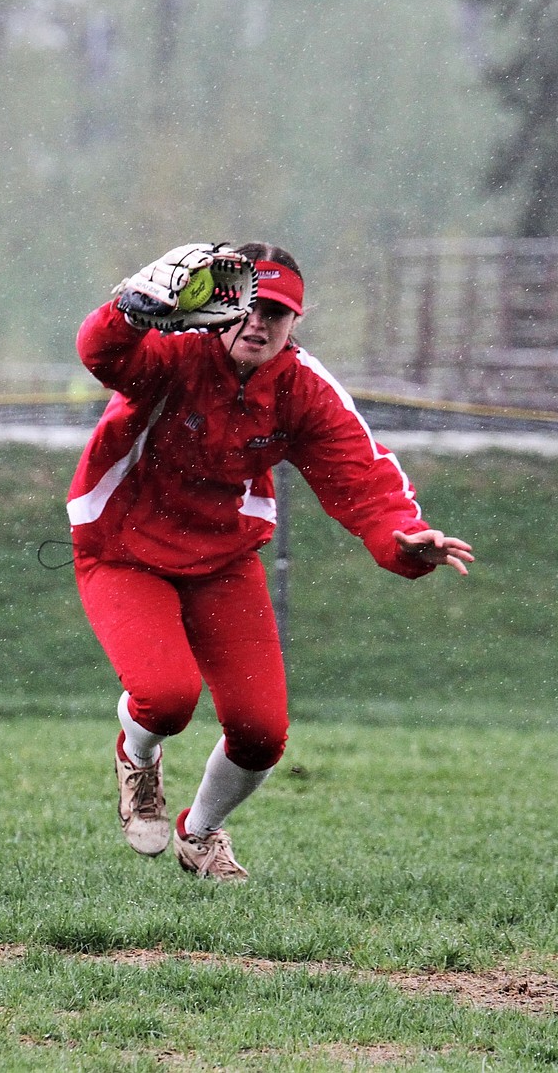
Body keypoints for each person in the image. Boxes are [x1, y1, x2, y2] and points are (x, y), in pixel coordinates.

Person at [67, 242, 473, 881]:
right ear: (220, 304)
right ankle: (138, 757)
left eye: (277, 313)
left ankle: (199, 835)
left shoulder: (302, 387)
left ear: (296, 323)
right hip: (123, 548)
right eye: (248, 307)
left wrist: (402, 538)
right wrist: (127, 311)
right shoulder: (176, 351)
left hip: (223, 559)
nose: (258, 324)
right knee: (168, 698)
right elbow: (103, 355)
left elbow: (362, 475)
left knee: (262, 734)